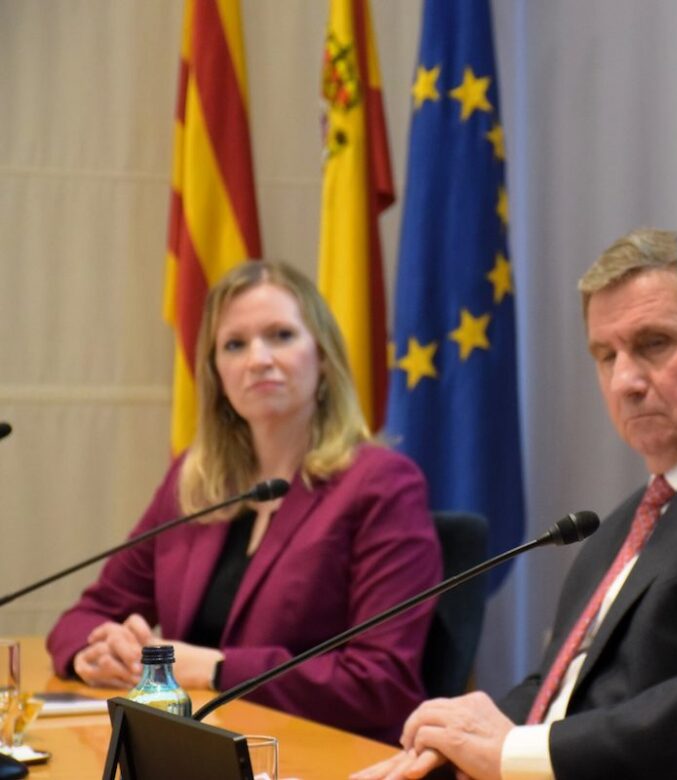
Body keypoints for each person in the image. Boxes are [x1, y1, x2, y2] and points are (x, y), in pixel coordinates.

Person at [352, 229, 677, 780]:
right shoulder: (618, 526)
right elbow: (562, 685)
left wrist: (513, 754)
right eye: (605, 355)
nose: (625, 381)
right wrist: (453, 741)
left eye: (653, 344)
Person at [47, 260, 442, 744]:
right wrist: (95, 652)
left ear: (322, 357)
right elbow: (83, 618)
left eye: (280, 335)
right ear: (216, 373)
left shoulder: (381, 484)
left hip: (328, 758)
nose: (258, 359)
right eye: (234, 344)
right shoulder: (195, 483)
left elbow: (381, 680)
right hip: (198, 751)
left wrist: (213, 668)